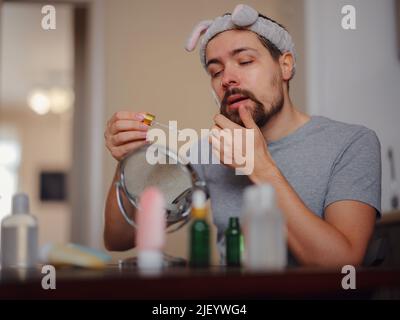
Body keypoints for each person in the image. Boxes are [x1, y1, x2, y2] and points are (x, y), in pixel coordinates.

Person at [103, 4, 381, 267]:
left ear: (285, 65)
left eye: (245, 61)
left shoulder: (352, 144)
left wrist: (260, 168)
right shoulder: (208, 152)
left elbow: (343, 265)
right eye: (216, 71)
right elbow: (120, 238)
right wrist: (129, 161)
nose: (227, 79)